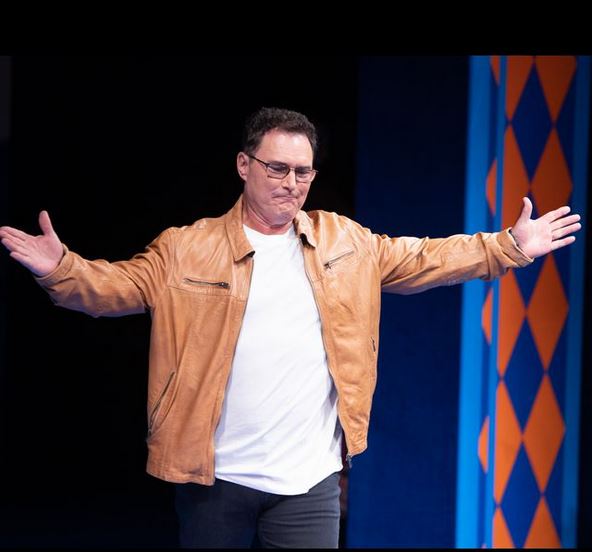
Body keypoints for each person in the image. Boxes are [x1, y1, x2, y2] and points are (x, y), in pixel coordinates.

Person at [0, 107, 582, 549]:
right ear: (244, 166)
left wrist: (507, 246)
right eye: (277, 168)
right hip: (213, 479)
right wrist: (62, 269)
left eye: (303, 171)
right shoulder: (186, 248)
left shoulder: (344, 241)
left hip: (309, 481)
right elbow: (115, 289)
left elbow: (425, 256)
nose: (291, 182)